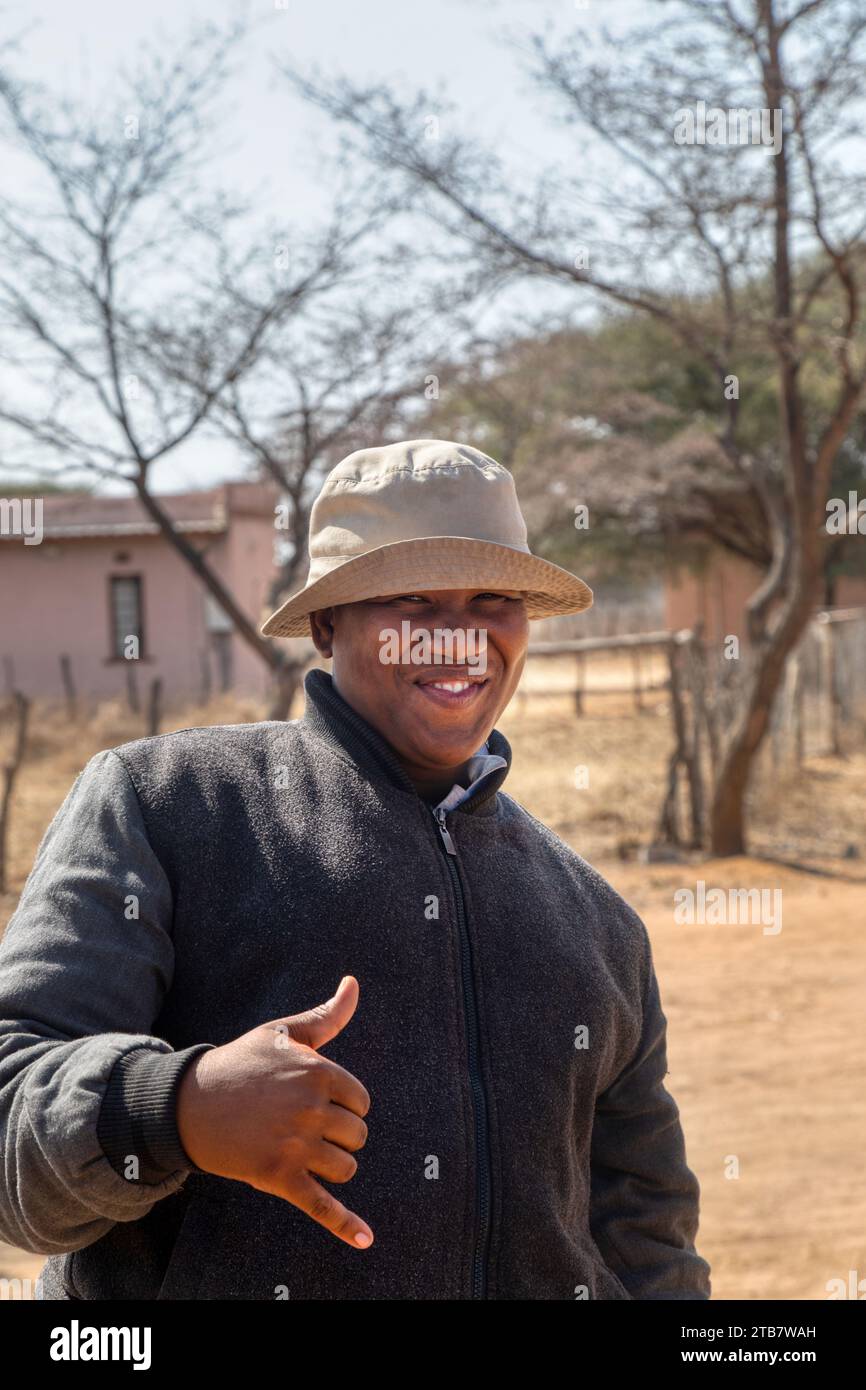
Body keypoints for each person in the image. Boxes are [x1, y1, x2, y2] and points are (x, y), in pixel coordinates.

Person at [0, 439, 711, 1300]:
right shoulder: (168, 808)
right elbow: (13, 1135)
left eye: (493, 599)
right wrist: (177, 1109)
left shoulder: (594, 919)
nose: (458, 637)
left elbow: (648, 1233)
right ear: (328, 623)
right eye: (412, 598)